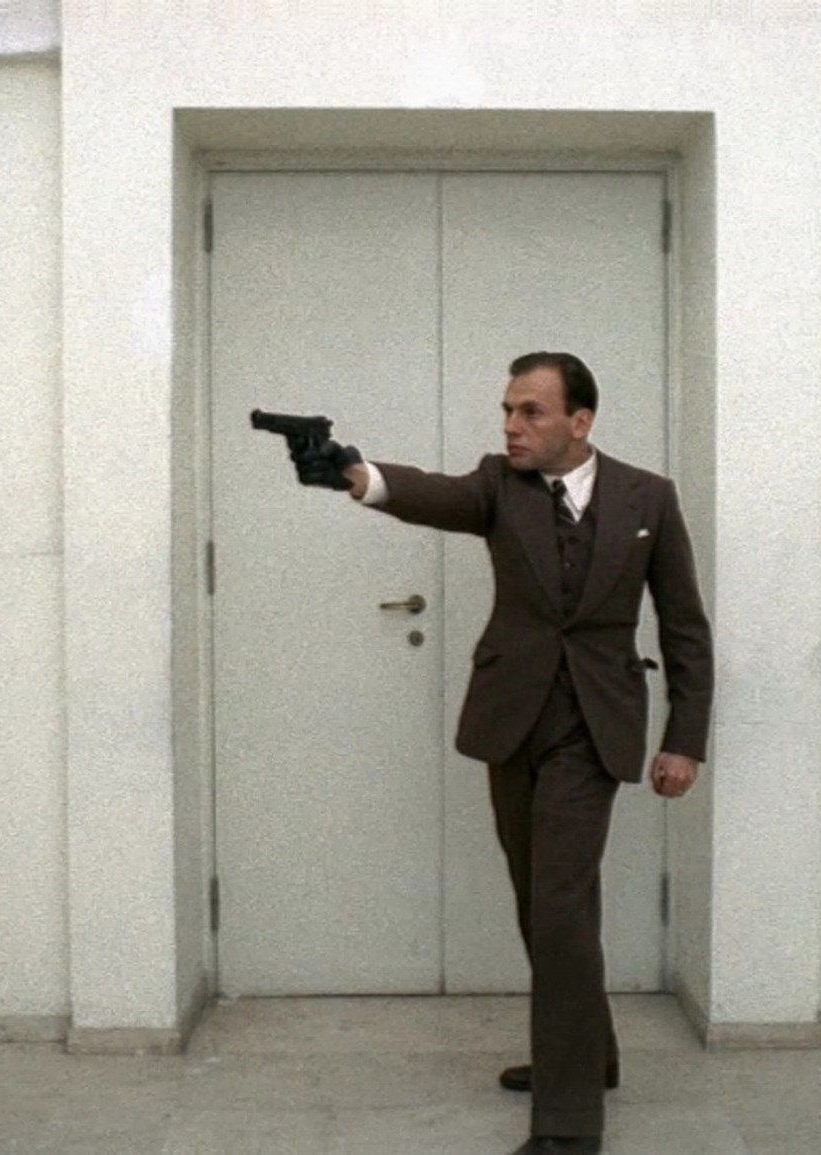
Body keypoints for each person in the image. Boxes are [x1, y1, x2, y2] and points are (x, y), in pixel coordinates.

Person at [283, 352, 714, 1155]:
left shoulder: (647, 498)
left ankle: (568, 1123)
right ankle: (591, 1053)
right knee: (537, 897)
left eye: (531, 411)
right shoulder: (498, 485)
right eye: (508, 410)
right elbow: (430, 494)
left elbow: (685, 625)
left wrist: (683, 739)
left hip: (596, 727)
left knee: (560, 906)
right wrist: (352, 472)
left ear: (580, 421)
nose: (512, 426)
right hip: (513, 721)